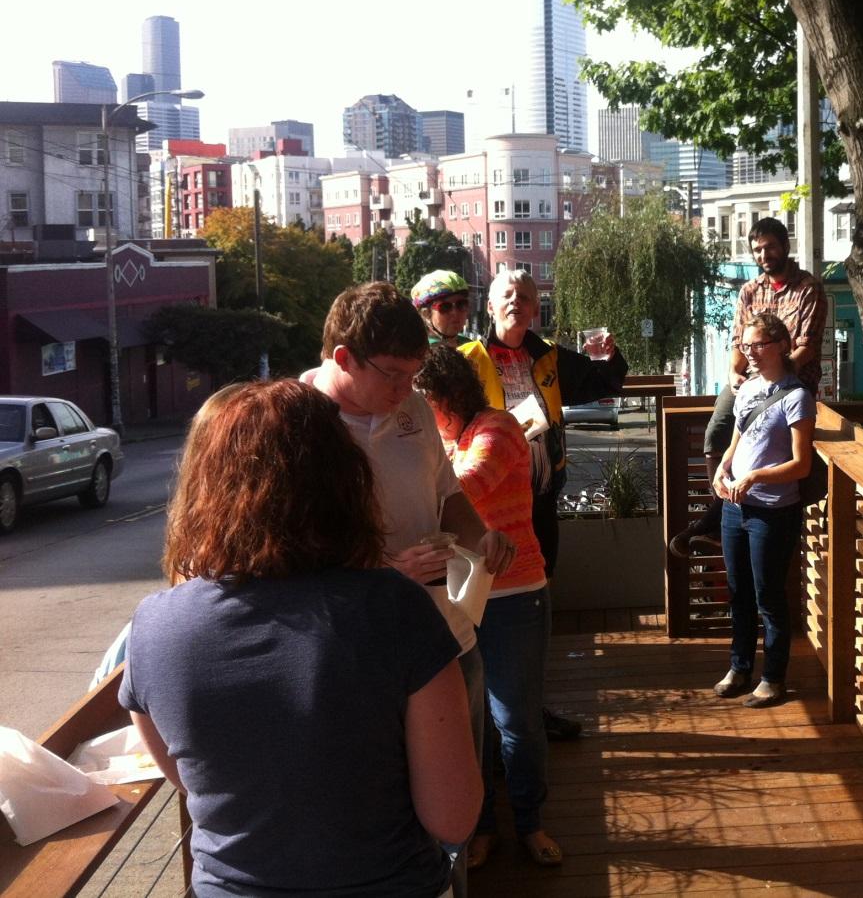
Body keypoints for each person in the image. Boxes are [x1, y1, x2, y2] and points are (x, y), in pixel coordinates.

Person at [120, 380, 481, 896]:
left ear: (201, 486)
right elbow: (454, 817)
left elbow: (189, 780)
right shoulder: (396, 608)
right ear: (345, 480)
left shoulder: (153, 626)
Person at [303, 281, 514, 894]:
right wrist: (386, 568)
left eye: (415, 375)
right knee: (378, 807)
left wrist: (481, 537)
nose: (406, 392)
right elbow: (286, 552)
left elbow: (450, 497)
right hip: (353, 654)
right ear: (341, 358)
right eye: (394, 375)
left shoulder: (413, 408)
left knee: (458, 804)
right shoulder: (295, 420)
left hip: (446, 634)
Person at [459, 268, 627, 740]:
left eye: (526, 296)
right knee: (482, 605)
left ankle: (530, 708)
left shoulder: (548, 356)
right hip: (487, 506)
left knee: (534, 603)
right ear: (489, 306)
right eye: (507, 295)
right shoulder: (469, 358)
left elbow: (603, 382)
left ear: (536, 309)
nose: (516, 301)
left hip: (539, 499)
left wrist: (610, 355)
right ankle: (489, 718)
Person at [415, 344, 562, 870]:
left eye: (420, 400)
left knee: (516, 720)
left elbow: (466, 491)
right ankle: (482, 829)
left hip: (516, 595)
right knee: (471, 722)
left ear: (443, 397)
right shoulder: (444, 441)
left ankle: (531, 823)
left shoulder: (496, 430)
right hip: (461, 600)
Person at [670, 216, 827, 557]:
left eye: (770, 246)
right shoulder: (749, 290)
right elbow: (737, 344)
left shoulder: (808, 288)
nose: (764, 254)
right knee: (717, 430)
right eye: (757, 249)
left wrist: (773, 376)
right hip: (752, 381)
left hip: (791, 383)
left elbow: (806, 347)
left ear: (785, 246)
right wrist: (734, 376)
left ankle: (713, 523)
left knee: (773, 447)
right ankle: (723, 507)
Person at [710, 312, 815, 708]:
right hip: (735, 507)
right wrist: (723, 469)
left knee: (768, 595)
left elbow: (801, 465)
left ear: (780, 346)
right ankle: (739, 668)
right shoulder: (750, 388)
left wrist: (753, 477)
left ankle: (773, 677)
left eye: (756, 345)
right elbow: (737, 441)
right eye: (744, 345)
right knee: (738, 593)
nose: (748, 353)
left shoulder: (797, 396)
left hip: (772, 511)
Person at [413, 269, 475, 346]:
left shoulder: (471, 346)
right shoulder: (417, 352)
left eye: (461, 304)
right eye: (445, 307)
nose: (455, 313)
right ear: (426, 314)